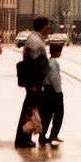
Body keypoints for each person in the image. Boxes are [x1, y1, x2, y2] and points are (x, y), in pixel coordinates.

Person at [15, 15, 50, 148]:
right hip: (34, 82)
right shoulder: (35, 41)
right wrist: (35, 84)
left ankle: (24, 136)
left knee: (29, 109)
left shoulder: (34, 39)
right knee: (29, 110)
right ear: (43, 26)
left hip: (33, 81)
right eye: (47, 24)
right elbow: (34, 64)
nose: (49, 27)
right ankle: (23, 138)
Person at [39, 42, 64, 146]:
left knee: (47, 114)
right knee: (59, 113)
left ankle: (42, 135)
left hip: (46, 90)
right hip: (53, 90)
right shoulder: (54, 63)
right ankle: (54, 134)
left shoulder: (48, 61)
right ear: (57, 52)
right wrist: (59, 91)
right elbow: (55, 78)